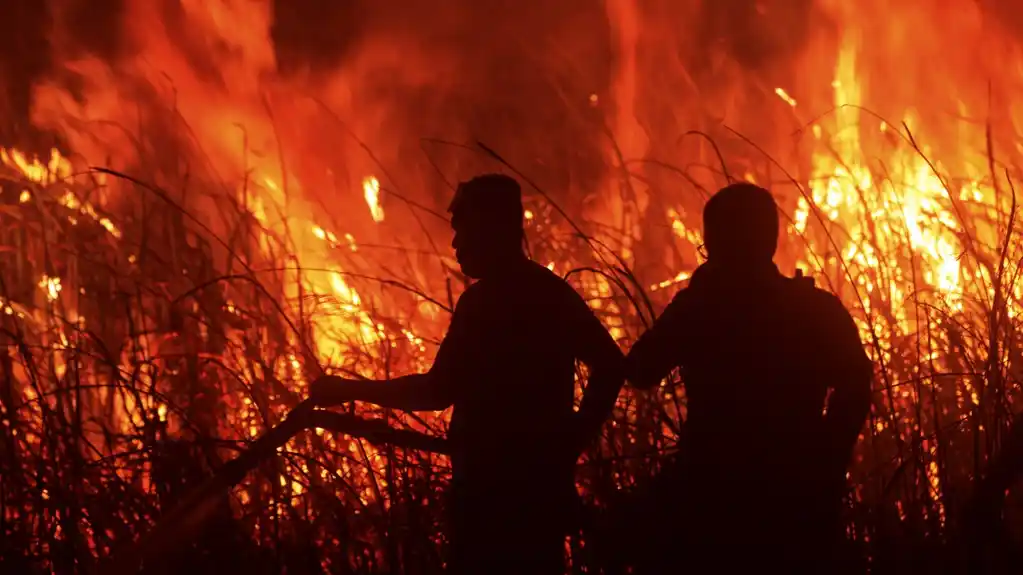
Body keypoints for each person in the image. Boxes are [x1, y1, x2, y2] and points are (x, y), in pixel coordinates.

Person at [308, 174, 626, 574]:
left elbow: (436, 391)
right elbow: (611, 365)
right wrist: (570, 441)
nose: (455, 244)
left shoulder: (485, 302)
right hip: (537, 493)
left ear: (496, 229)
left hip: (490, 497)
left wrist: (349, 389)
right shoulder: (549, 291)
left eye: (465, 230)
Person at [624, 182, 873, 572]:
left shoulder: (700, 309)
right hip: (795, 494)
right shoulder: (816, 309)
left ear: (714, 243)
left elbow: (640, 370)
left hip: (712, 493)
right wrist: (826, 460)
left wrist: (698, 292)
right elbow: (857, 388)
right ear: (771, 241)